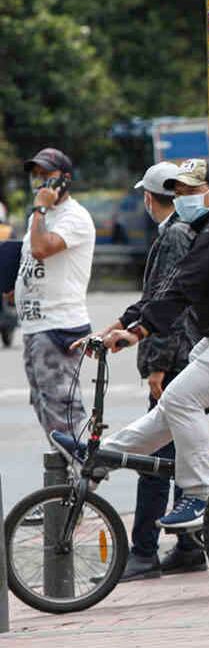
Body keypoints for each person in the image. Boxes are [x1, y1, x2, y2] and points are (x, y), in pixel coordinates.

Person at [60, 159, 209, 530]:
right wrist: (118, 327)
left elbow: (183, 286)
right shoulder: (206, 229)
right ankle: (104, 455)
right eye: (179, 191)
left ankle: (200, 496)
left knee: (183, 399)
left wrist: (138, 332)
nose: (183, 198)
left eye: (193, 191)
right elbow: (166, 287)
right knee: (171, 408)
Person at [121, 163, 205, 582]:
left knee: (155, 456)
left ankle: (143, 552)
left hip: (175, 358)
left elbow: (164, 303)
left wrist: (155, 366)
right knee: (178, 453)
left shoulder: (173, 235)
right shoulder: (185, 231)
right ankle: (189, 545)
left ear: (150, 199)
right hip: (188, 355)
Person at [17, 148, 95, 441]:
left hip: (58, 326)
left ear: (64, 179)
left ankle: (82, 478)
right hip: (36, 325)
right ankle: (65, 478)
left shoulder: (74, 217)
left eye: (46, 175)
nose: (38, 181)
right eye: (35, 174)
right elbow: (34, 260)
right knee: (44, 408)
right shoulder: (42, 217)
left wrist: (39, 209)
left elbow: (41, 249)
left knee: (63, 415)